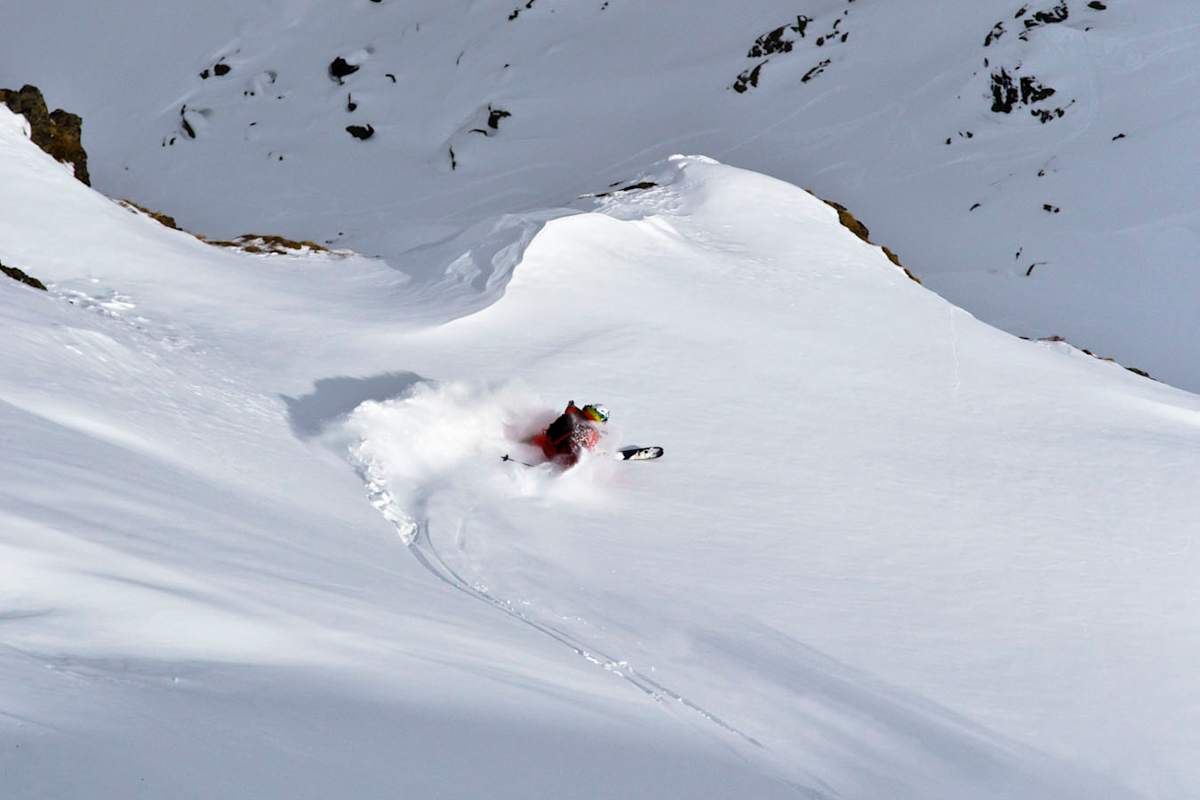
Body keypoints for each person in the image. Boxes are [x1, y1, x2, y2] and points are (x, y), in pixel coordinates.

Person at [534, 400, 609, 465]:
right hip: (556, 450)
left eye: (595, 415)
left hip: (556, 449)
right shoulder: (573, 418)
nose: (593, 416)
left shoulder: (576, 416)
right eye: (593, 413)